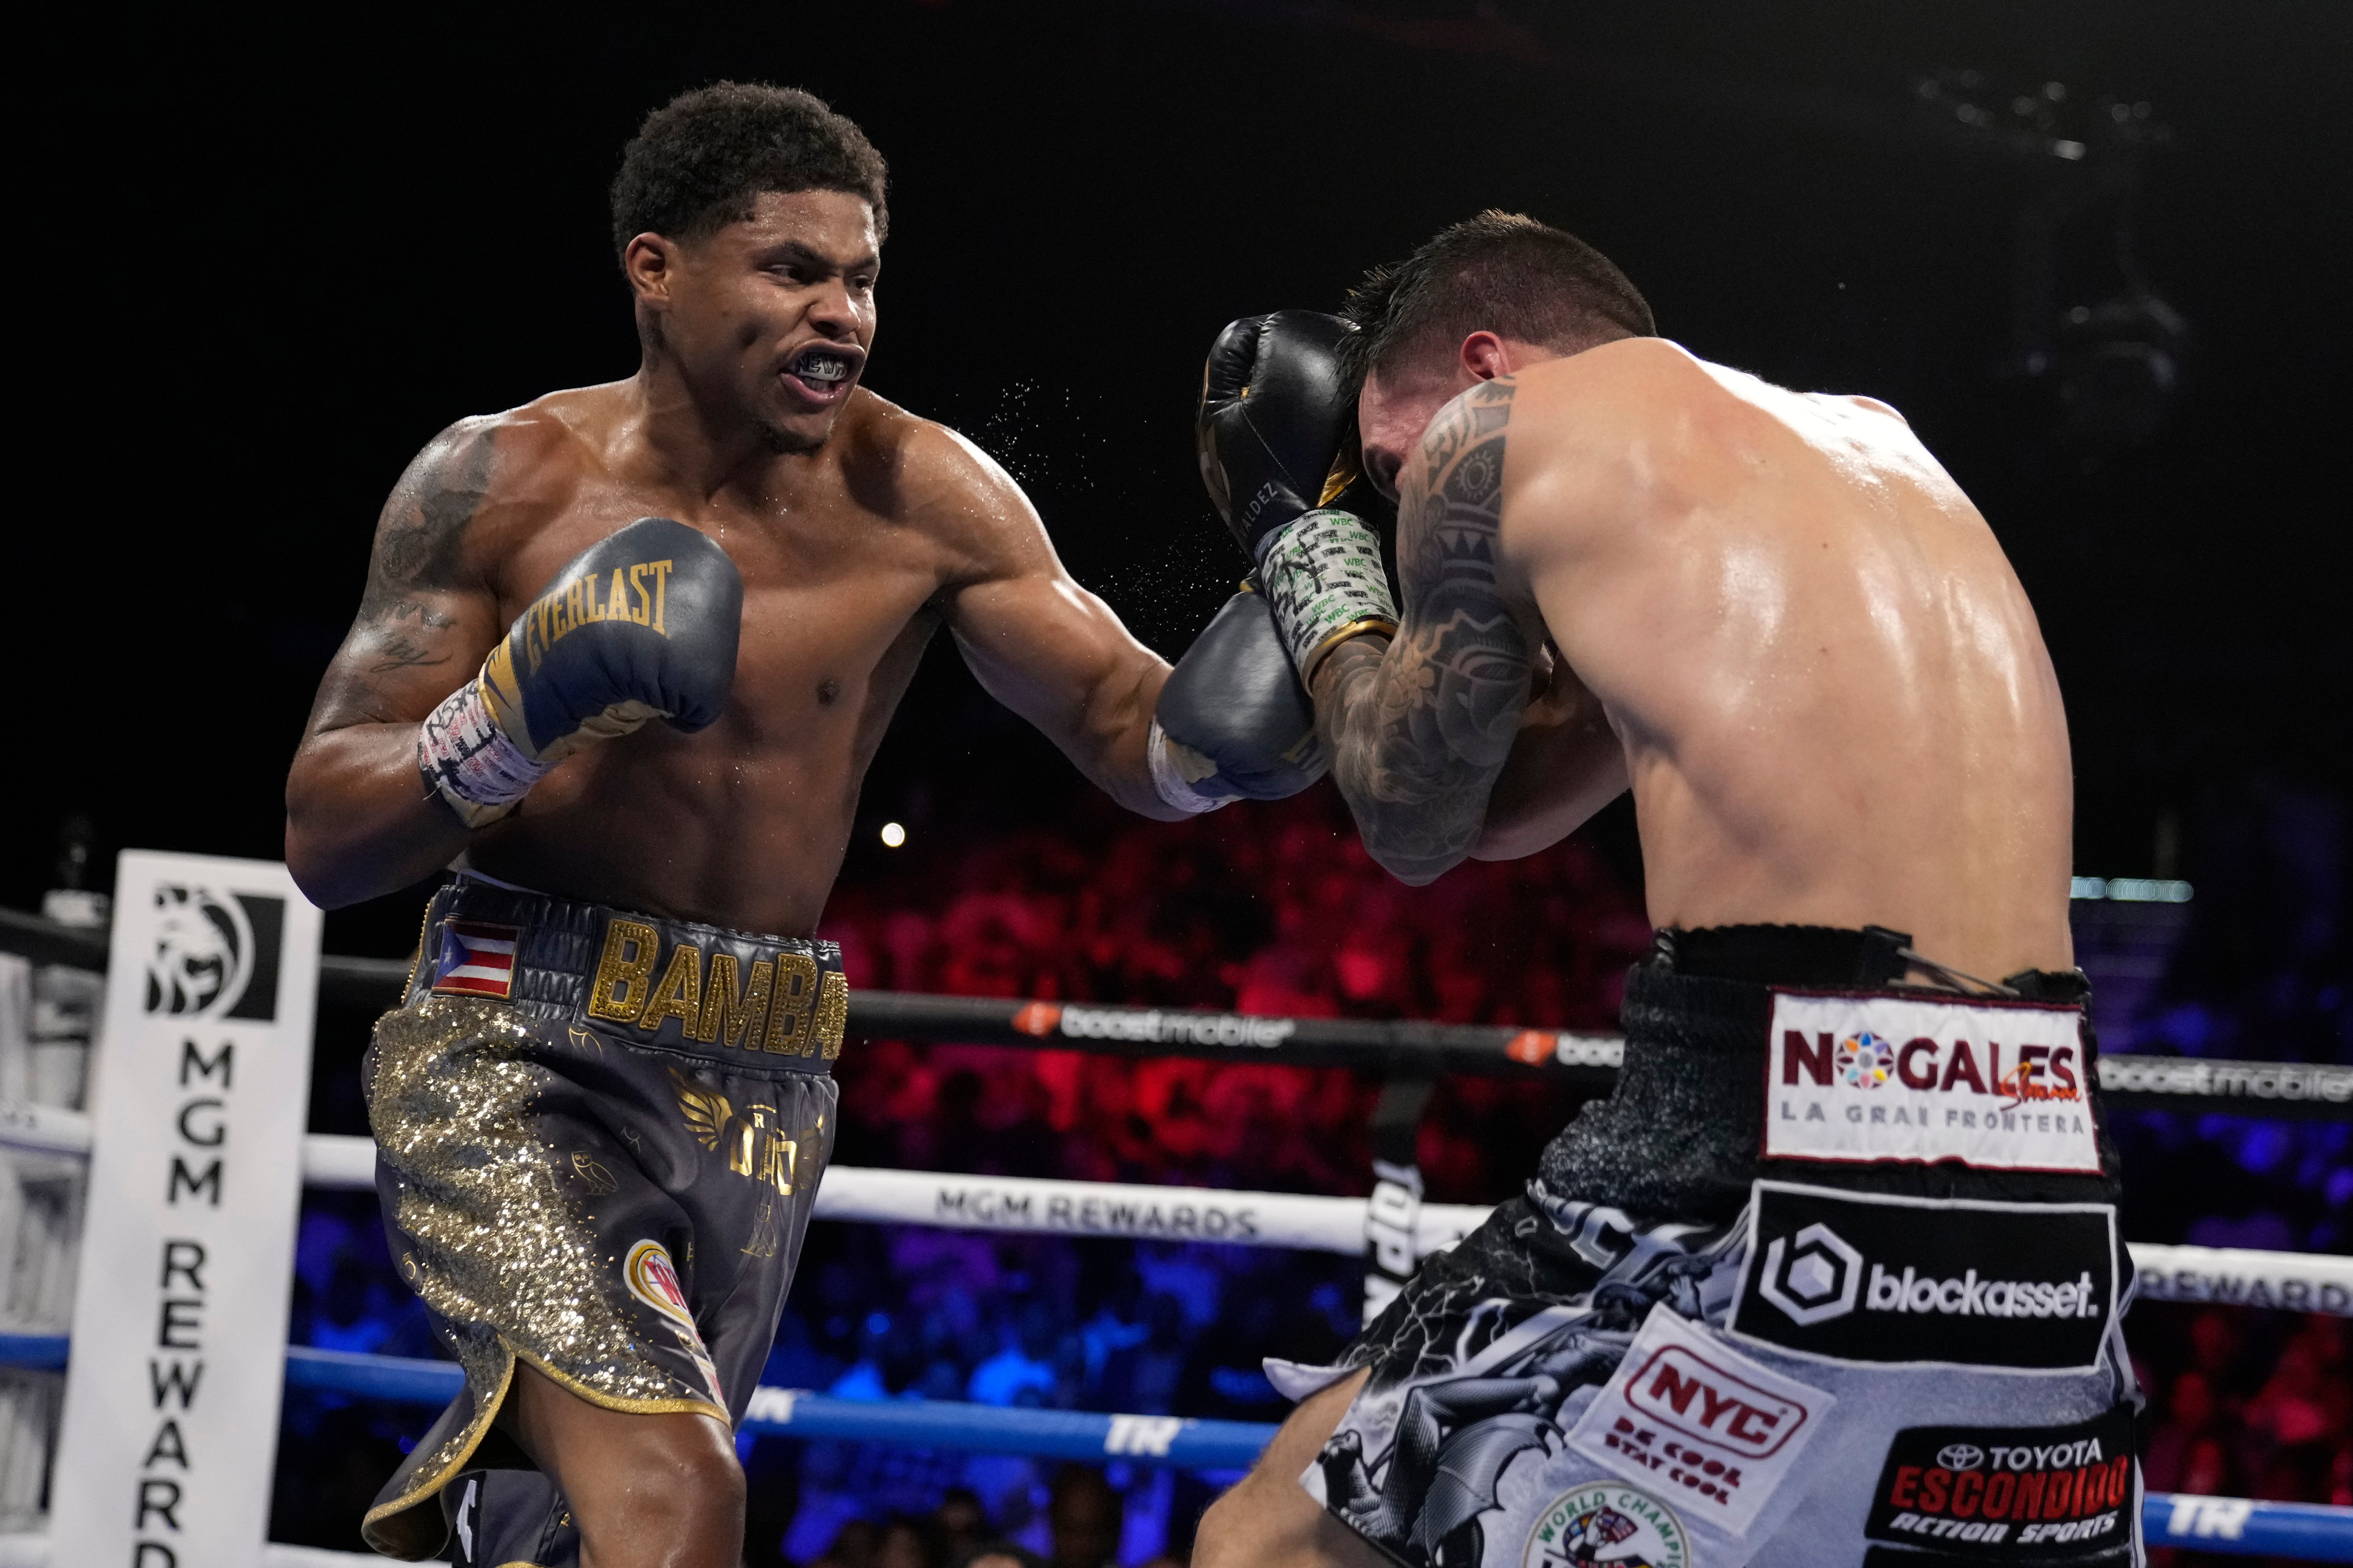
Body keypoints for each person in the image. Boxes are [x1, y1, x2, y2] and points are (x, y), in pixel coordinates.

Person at [284, 82, 1320, 1568]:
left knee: (565, 1529)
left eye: (863, 277)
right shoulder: (499, 482)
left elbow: (1132, 736)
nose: (843, 312)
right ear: (656, 268)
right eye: (792, 270)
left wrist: (1258, 691)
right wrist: (516, 707)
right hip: (514, 1045)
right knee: (677, 1492)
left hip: (762, 1073)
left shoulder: (926, 492)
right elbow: (327, 836)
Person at [1190, 213, 2140, 1566]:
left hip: (1768, 1120)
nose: (1407, 523)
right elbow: (1491, 821)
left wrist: (1309, 556)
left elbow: (1406, 821)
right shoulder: (1871, 444)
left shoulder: (1495, 437)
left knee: (1264, 1545)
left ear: (1479, 367)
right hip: (2044, 1159)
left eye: (1393, 478)